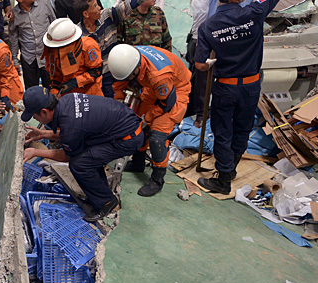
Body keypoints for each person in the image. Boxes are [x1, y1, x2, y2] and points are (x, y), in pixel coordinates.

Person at [21, 86, 144, 222]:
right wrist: (42, 134)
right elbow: (74, 130)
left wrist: (36, 151)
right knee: (89, 157)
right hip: (124, 124)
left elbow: (68, 155)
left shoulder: (71, 126)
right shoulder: (66, 100)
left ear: (44, 112)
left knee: (79, 163)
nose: (34, 118)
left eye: (34, 115)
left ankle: (106, 202)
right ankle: (99, 193)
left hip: (127, 139)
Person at [194, 0, 279, 194]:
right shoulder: (255, 11)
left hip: (226, 86)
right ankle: (231, 167)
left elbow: (199, 65)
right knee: (243, 128)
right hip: (251, 85)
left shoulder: (208, 26)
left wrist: (211, 64)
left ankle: (223, 181)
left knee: (223, 132)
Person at [108, 44, 191, 197]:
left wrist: (147, 118)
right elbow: (119, 83)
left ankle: (157, 179)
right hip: (152, 87)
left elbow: (166, 103)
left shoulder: (159, 76)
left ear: (136, 70)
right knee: (136, 124)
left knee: (157, 135)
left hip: (175, 92)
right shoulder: (128, 57)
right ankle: (138, 163)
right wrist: (119, 102)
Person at [75, 0, 141, 98]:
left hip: (118, 72)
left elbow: (128, 5)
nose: (99, 8)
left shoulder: (107, 16)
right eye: (95, 6)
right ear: (86, 14)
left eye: (97, 4)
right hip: (98, 81)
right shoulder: (78, 36)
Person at [42, 18, 103, 97]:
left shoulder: (88, 46)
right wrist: (54, 91)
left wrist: (75, 82)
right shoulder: (52, 51)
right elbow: (55, 76)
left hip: (90, 94)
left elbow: (96, 71)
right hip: (67, 96)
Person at [8, 0, 56, 89]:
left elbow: (54, 25)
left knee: (52, 88)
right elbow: (13, 39)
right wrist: (14, 60)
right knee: (32, 91)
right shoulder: (14, 14)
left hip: (47, 57)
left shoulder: (45, 3)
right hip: (28, 59)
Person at [186, 0, 210, 128]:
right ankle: (200, 115)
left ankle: (198, 112)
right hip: (200, 39)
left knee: (199, 81)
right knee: (201, 81)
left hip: (199, 38)